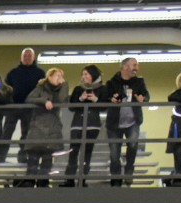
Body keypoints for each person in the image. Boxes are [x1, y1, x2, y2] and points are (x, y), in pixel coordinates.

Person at [105, 57, 149, 187]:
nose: (137, 68)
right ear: (125, 67)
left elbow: (146, 95)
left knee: (133, 145)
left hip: (133, 121)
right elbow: (106, 97)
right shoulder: (111, 83)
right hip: (114, 123)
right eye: (134, 65)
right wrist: (111, 99)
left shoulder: (139, 82)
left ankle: (129, 170)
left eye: (137, 65)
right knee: (114, 153)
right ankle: (116, 178)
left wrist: (143, 99)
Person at [20, 67, 66, 186]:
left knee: (47, 160)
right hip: (37, 128)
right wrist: (44, 101)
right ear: (50, 76)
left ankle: (43, 183)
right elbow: (29, 99)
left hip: (52, 130)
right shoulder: (40, 88)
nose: (60, 78)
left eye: (62, 76)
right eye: (57, 76)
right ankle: (29, 182)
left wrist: (64, 85)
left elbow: (62, 100)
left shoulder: (61, 90)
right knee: (33, 159)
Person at [62, 64, 106, 186]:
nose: (84, 76)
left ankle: (83, 179)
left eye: (86, 74)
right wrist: (81, 98)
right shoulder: (78, 89)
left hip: (93, 125)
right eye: (83, 74)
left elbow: (105, 107)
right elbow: (71, 107)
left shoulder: (103, 89)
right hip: (77, 124)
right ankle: (69, 179)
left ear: (93, 75)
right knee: (73, 151)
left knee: (87, 153)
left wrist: (96, 100)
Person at [3, 48, 45, 160]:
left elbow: (43, 90)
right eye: (25, 56)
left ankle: (23, 155)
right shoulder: (13, 73)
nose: (27, 58)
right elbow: (5, 90)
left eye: (29, 56)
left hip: (30, 108)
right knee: (7, 132)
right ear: (21, 58)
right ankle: (1, 155)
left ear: (33, 58)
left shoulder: (40, 73)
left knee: (26, 133)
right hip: (13, 107)